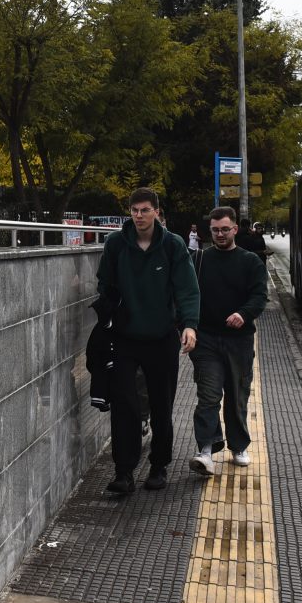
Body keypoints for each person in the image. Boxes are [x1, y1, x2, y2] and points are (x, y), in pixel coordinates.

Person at [94, 187, 200, 494]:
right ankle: (123, 472)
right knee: (124, 405)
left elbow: (187, 288)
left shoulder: (173, 245)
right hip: (125, 338)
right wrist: (110, 310)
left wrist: (189, 325)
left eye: (145, 210)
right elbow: (105, 283)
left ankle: (158, 465)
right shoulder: (116, 244)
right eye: (134, 211)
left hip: (162, 338)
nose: (139, 216)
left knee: (161, 404)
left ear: (156, 211)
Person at [188, 205, 270, 477]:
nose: (220, 234)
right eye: (215, 230)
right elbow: (189, 296)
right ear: (208, 230)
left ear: (235, 229)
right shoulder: (199, 260)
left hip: (239, 342)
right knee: (208, 397)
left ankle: (238, 445)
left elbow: (260, 297)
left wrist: (243, 314)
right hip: (207, 341)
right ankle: (206, 450)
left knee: (236, 397)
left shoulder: (250, 262)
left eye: (225, 229)